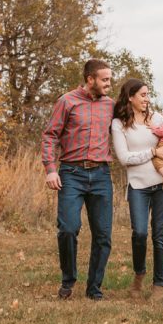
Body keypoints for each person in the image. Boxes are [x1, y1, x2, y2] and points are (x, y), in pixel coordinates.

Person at [41, 59, 115, 301]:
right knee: (68, 229)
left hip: (101, 175)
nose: (109, 84)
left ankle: (94, 288)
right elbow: (50, 135)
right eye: (105, 79)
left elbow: (133, 125)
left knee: (103, 235)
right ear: (90, 79)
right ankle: (68, 280)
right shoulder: (67, 101)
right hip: (71, 174)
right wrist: (50, 169)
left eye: (110, 79)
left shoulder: (110, 105)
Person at [110, 79, 163, 302]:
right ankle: (139, 275)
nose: (147, 99)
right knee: (139, 233)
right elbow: (124, 158)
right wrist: (153, 152)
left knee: (160, 234)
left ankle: (159, 284)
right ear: (130, 97)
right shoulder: (119, 124)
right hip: (138, 186)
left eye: (148, 94)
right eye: (142, 95)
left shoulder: (157, 118)